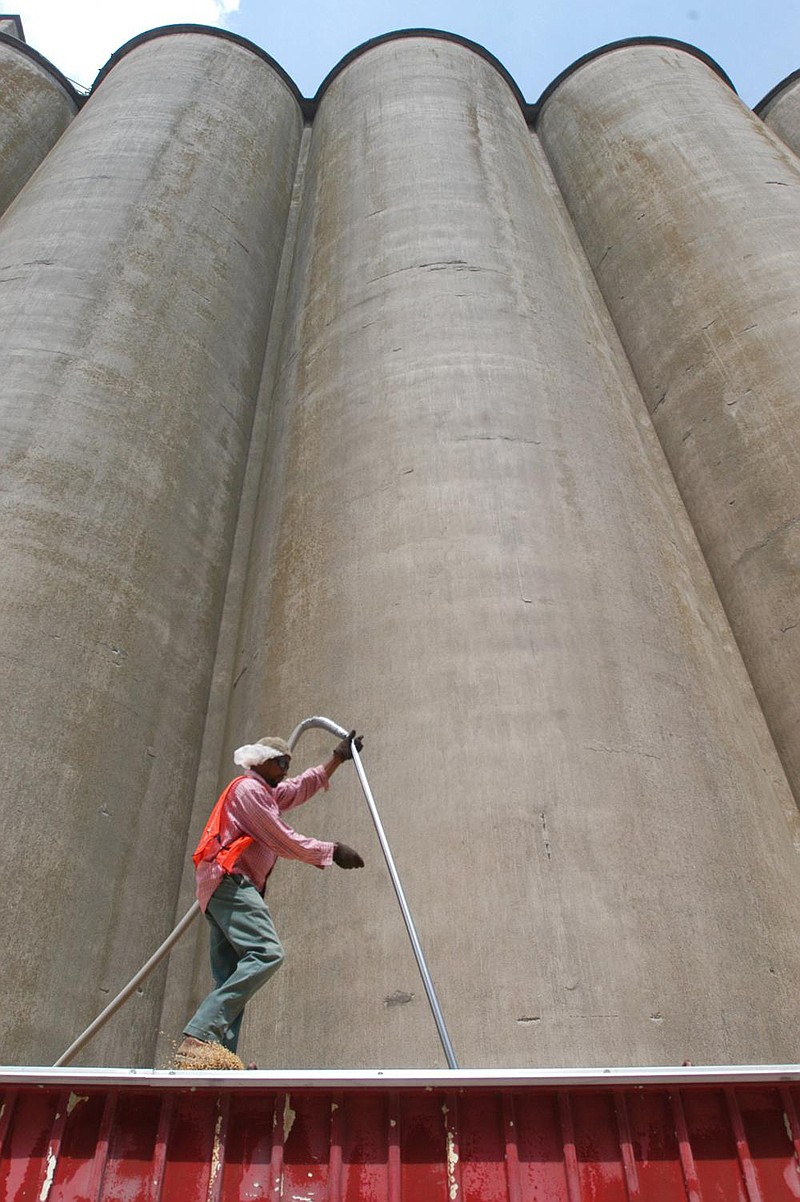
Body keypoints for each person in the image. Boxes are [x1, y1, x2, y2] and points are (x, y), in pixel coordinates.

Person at [175, 730, 364, 1068]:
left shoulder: (267, 792)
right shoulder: (248, 791)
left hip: (220, 887)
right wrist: (331, 851)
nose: (286, 772)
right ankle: (200, 1035)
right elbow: (279, 838)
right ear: (261, 762)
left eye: (288, 764)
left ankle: (217, 1058)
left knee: (232, 976)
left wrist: (337, 757)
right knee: (266, 953)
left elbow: (301, 787)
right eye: (281, 763)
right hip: (230, 881)